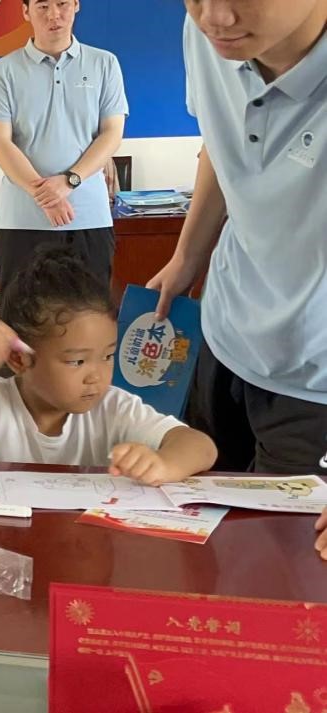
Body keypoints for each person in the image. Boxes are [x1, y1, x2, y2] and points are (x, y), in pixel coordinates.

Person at [148, 0, 327, 482]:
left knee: (278, 532)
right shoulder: (209, 37)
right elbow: (221, 136)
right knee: (193, 507)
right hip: (224, 335)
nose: (214, 17)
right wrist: (187, 256)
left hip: (313, 379)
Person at [0, 248, 217, 483]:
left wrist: (163, 464)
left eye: (107, 356)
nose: (96, 376)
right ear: (20, 359)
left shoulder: (114, 408)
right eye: (77, 361)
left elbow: (201, 447)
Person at [0, 0, 128, 295]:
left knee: (89, 313)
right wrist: (46, 196)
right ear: (26, 12)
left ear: (76, 5)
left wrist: (69, 181)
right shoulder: (2, 71)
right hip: (22, 221)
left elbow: (111, 134)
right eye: (43, 6)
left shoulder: (104, 63)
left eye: (62, 4)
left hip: (88, 216)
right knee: (23, 315)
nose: (54, 15)